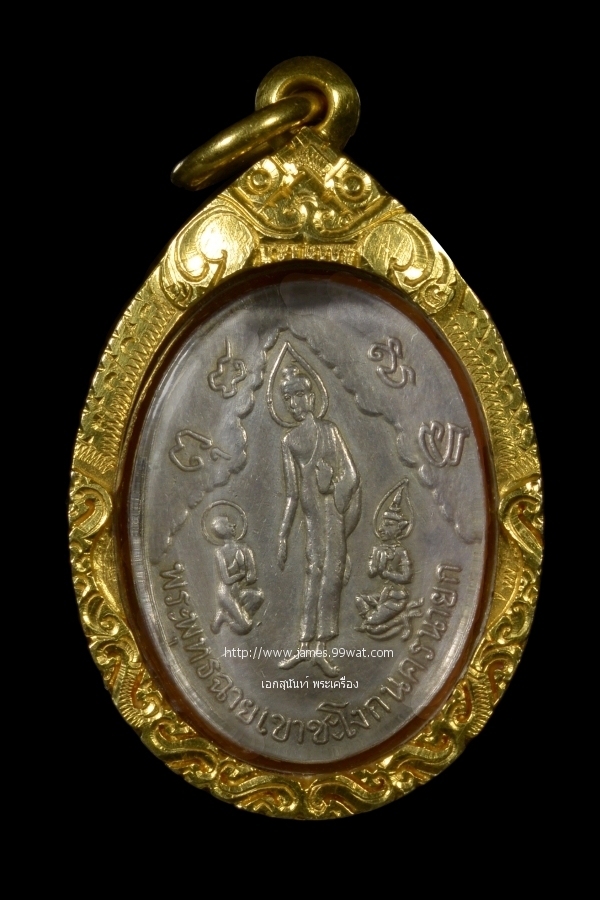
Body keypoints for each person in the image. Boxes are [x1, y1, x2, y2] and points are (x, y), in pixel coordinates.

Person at [276, 366, 360, 672]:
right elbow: (291, 493)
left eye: (299, 394)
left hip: (333, 515)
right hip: (312, 519)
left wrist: (331, 487)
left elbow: (351, 475)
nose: (294, 403)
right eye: (288, 398)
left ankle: (322, 648)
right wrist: (283, 533)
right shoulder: (289, 441)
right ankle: (303, 645)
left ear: (311, 397)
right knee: (313, 573)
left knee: (331, 577)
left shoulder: (330, 432)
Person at [210, 515, 264, 635]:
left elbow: (252, 576)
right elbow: (226, 579)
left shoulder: (245, 549)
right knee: (245, 628)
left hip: (238, 590)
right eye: (229, 524)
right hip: (226, 593)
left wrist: (245, 578)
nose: (233, 525)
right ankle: (225, 616)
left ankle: (238, 615)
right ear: (223, 530)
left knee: (258, 597)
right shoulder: (220, 552)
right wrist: (241, 572)